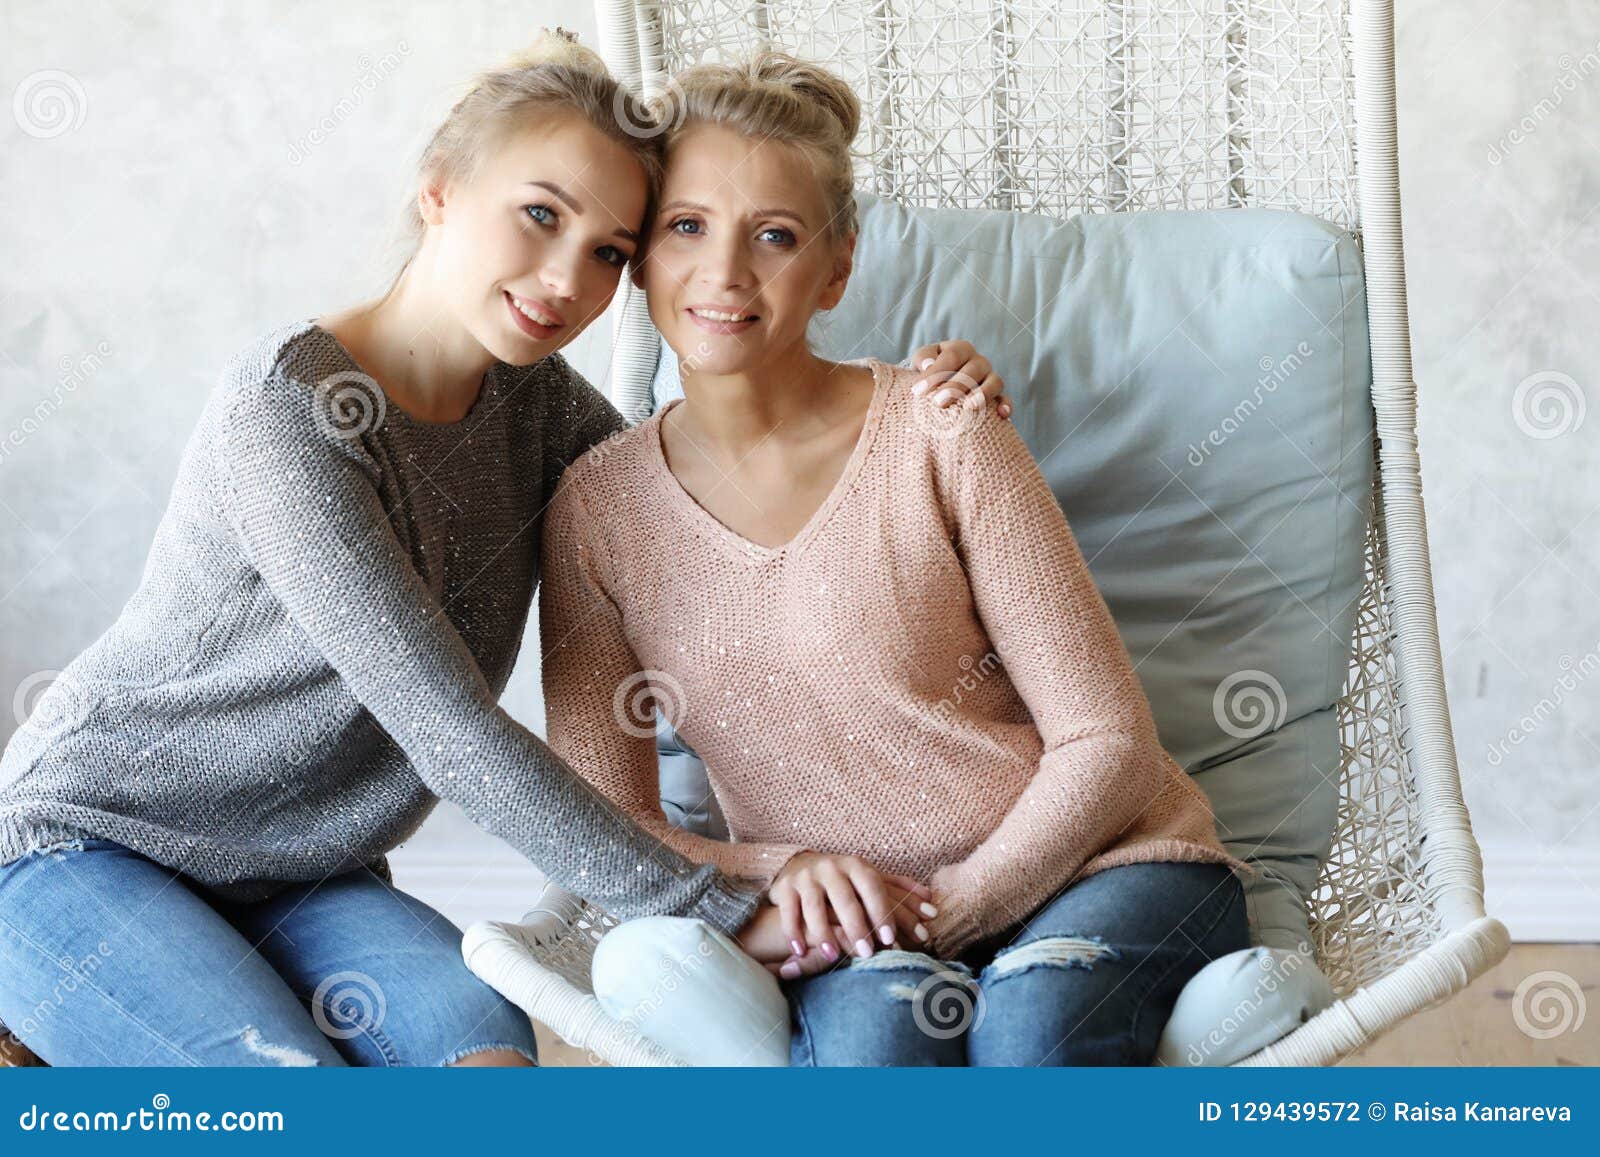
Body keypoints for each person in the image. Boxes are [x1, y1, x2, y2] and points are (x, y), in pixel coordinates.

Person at [0, 29, 1008, 1067]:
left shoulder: (538, 408)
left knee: (488, 1067)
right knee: (277, 1088)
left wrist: (912, 405)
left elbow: (721, 522)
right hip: (96, 839)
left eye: (611, 249)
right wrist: (724, 897)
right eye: (540, 214)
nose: (568, 277)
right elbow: (447, 728)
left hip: (311, 877)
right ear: (438, 190)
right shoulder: (288, 413)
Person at [539, 49, 1258, 1065]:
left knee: (1030, 1030)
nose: (725, 272)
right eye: (685, 226)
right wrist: (788, 868)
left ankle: (1220, 1013)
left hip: (1112, 860)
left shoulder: (944, 427)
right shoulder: (594, 510)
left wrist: (953, 909)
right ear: (638, 257)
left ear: (836, 266)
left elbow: (1108, 738)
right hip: (860, 921)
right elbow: (603, 824)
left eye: (775, 236)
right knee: (879, 1056)